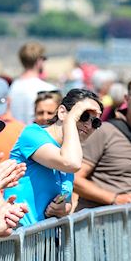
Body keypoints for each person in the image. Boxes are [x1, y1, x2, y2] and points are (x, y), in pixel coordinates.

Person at [6, 88, 105, 225]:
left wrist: (63, 209)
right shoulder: (32, 134)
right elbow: (71, 164)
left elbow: (67, 200)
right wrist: (71, 119)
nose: (88, 125)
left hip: (46, 241)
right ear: (62, 112)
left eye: (95, 122)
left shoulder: (69, 150)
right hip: (18, 236)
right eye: (83, 116)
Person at [74, 73, 131, 206]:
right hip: (99, 221)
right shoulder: (104, 132)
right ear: (127, 99)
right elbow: (75, 179)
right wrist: (114, 198)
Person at [6, 41, 47, 124]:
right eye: (44, 59)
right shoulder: (48, 90)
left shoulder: (11, 88)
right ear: (39, 61)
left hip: (15, 134)